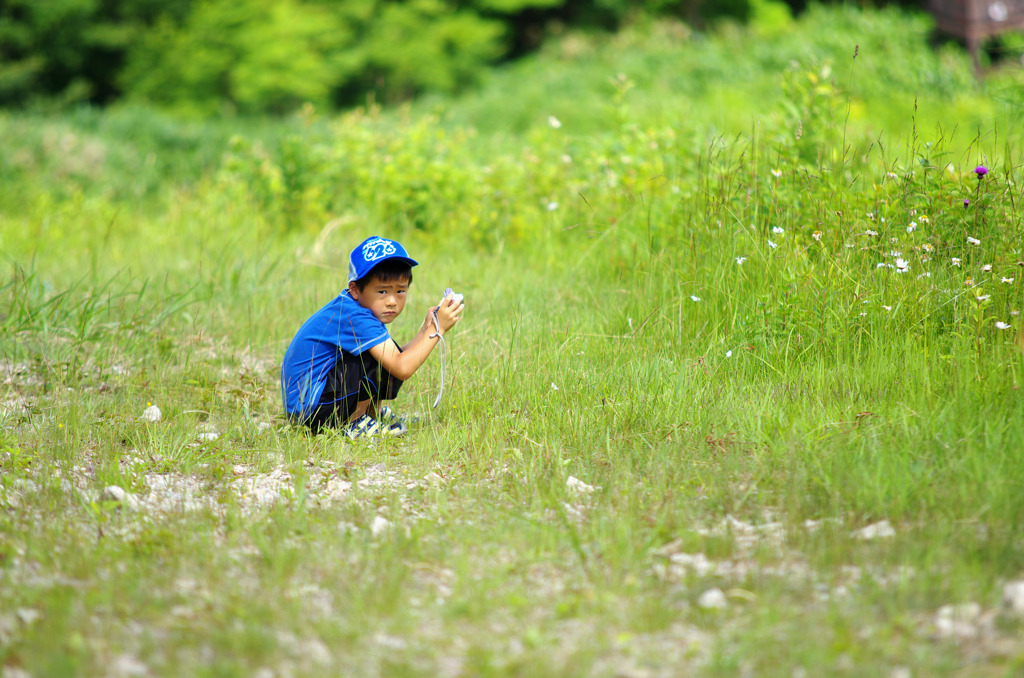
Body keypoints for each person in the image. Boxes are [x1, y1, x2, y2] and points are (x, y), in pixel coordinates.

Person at [280, 235, 464, 437]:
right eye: (383, 291)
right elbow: (402, 367)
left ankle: (370, 416)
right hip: (314, 412)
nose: (392, 301)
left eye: (400, 290)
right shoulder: (356, 317)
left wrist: (426, 328)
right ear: (355, 289)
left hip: (313, 405)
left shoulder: (355, 309)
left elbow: (397, 359)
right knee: (372, 356)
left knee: (385, 352)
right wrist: (437, 331)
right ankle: (354, 423)